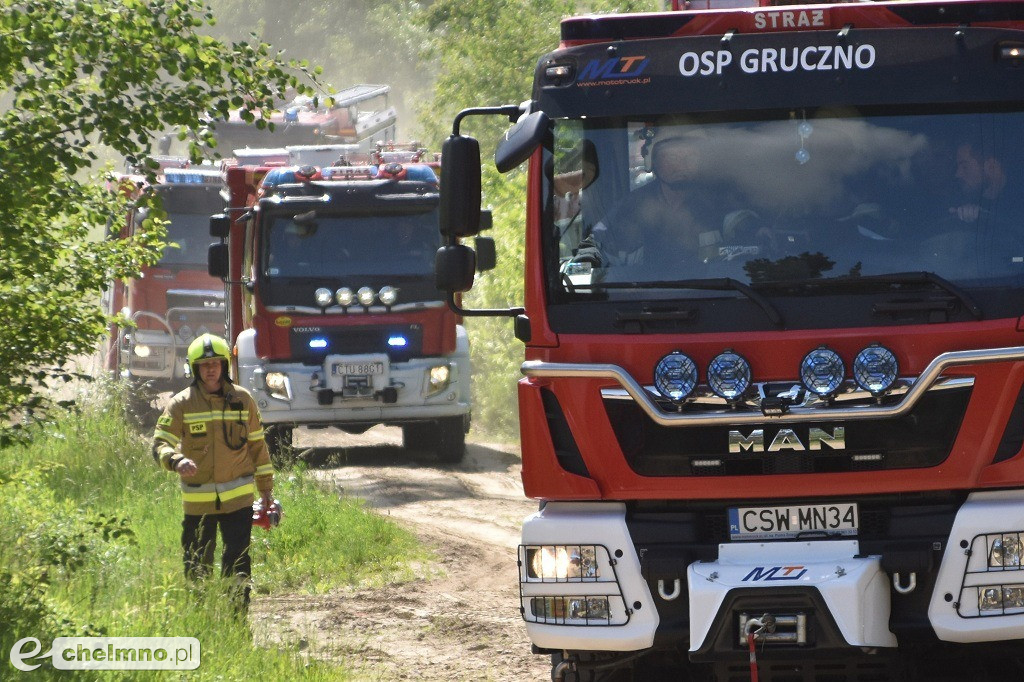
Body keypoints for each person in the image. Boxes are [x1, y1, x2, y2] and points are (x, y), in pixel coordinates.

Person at [152, 333, 274, 611]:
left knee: (238, 561)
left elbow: (258, 448)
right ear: (194, 369)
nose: (210, 370)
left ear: (224, 367)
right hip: (198, 504)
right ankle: (201, 616)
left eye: (216, 364)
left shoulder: (243, 400)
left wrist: (266, 491)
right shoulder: (181, 404)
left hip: (238, 501)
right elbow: (160, 443)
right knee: (196, 564)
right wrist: (175, 460)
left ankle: (237, 617)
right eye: (204, 365)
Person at [580, 122, 750, 271]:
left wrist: (756, 233)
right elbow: (595, 244)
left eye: (690, 156)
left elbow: (747, 231)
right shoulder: (630, 206)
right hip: (640, 299)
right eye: (671, 157)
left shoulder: (718, 201)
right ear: (651, 161)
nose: (680, 164)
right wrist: (585, 263)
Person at [948, 142, 1007, 224]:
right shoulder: (957, 203)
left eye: (965, 167)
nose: (957, 174)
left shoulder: (1018, 203)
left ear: (991, 167)